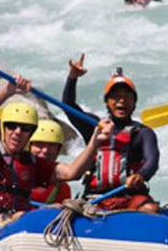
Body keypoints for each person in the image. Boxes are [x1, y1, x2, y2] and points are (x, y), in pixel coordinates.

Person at [0, 77, 112, 218]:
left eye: (25, 129)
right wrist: (7, 92)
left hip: (11, 225)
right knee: (14, 217)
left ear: (31, 134)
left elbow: (71, 173)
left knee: (37, 213)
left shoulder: (33, 164)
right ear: (3, 128)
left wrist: (95, 142)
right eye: (12, 126)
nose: (17, 133)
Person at [62, 55, 160, 212]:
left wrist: (141, 176)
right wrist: (72, 77)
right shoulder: (95, 127)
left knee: (150, 209)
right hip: (95, 198)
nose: (122, 101)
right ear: (107, 102)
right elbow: (68, 105)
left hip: (130, 197)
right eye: (116, 97)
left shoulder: (143, 133)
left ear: (134, 102)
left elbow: (152, 161)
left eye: (127, 97)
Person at [29, 119, 72, 204]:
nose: (45, 150)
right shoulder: (13, 174)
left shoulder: (62, 188)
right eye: (39, 144)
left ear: (58, 150)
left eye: (52, 145)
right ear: (29, 147)